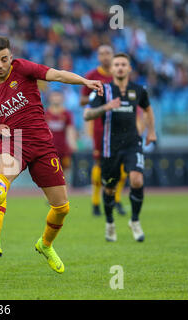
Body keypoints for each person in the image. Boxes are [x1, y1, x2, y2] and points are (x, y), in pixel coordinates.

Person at [0, 35, 103, 274]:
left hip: (42, 144)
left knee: (62, 208)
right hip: (13, 141)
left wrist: (85, 82)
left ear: (11, 57)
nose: (0, 65)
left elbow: (57, 74)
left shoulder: (23, 68)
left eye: (4, 59)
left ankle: (45, 245)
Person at [84, 53, 156, 242]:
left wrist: (151, 132)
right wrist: (106, 107)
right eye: (117, 64)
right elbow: (87, 115)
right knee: (109, 187)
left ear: (130, 68)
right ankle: (109, 223)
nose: (120, 67)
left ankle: (135, 220)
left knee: (137, 180)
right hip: (110, 146)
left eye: (124, 64)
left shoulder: (139, 90)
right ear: (112, 69)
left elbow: (148, 109)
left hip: (132, 142)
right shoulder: (102, 90)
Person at [80, 45, 127, 217]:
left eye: (108, 53)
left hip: (120, 125)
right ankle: (95, 202)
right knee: (99, 163)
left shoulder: (120, 74)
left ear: (113, 55)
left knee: (122, 163)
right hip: (100, 126)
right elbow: (82, 101)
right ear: (98, 57)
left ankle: (117, 199)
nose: (105, 56)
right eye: (101, 54)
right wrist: (97, 97)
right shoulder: (92, 76)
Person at [45, 91, 77, 185]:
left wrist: (72, 143)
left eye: (58, 96)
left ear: (62, 98)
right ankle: (52, 195)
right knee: (50, 172)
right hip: (50, 148)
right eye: (54, 96)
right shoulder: (45, 114)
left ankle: (64, 194)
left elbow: (70, 129)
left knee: (65, 171)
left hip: (63, 148)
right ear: (50, 98)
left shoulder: (67, 114)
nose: (56, 98)